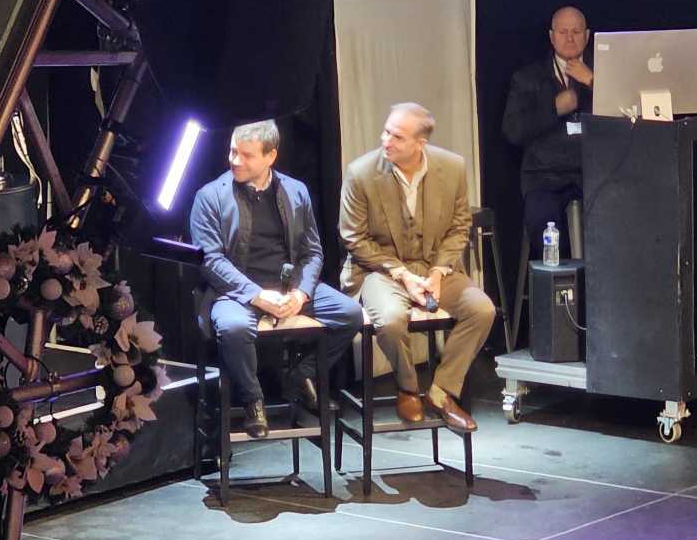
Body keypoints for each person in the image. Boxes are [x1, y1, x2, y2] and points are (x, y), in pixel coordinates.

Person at [190, 120, 362, 438]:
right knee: (233, 328)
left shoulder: (295, 191)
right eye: (233, 152)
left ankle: (299, 376)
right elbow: (210, 261)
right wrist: (257, 295)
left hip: (288, 287)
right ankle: (253, 400)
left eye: (246, 155)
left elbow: (313, 253)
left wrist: (301, 294)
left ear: (271, 156)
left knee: (350, 314)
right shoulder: (210, 196)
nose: (235, 160)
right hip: (235, 292)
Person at [339, 103, 496, 434]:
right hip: (381, 271)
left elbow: (459, 227)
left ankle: (441, 391)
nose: (386, 141)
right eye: (386, 132)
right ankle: (408, 388)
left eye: (397, 137)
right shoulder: (361, 173)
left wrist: (438, 273)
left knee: (482, 310)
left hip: (434, 267)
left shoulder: (452, 167)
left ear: (420, 144)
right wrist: (403, 275)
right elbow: (354, 238)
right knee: (391, 320)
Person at [503, 5, 593, 260]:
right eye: (563, 32)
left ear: (587, 36)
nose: (570, 38)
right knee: (544, 224)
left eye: (576, 32)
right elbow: (513, 131)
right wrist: (554, 108)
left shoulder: (603, 73)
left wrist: (593, 82)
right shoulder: (527, 78)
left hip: (595, 174)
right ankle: (559, 284)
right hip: (546, 176)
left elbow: (627, 113)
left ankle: (600, 284)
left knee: (616, 224)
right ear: (552, 37)